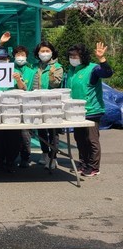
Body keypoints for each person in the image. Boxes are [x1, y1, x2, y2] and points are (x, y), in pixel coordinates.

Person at [66, 42, 113, 177]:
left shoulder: (93, 69)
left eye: (76, 56)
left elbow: (107, 73)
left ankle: (93, 167)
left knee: (91, 140)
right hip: (76, 111)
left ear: (83, 56)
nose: (73, 58)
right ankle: (83, 163)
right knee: (80, 139)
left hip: (91, 110)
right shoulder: (71, 70)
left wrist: (102, 59)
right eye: (71, 56)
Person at [0, 48, 27, 173]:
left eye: (4, 59)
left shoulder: (16, 72)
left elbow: (24, 89)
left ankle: (11, 160)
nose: (1, 61)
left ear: (8, 59)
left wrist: (18, 80)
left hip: (13, 110)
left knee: (13, 136)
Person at [32, 41, 64, 168]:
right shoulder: (35, 67)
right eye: (42, 51)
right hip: (37, 103)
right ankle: (44, 153)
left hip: (52, 104)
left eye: (47, 51)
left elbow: (56, 84)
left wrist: (51, 76)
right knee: (41, 130)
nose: (44, 53)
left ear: (52, 52)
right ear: (38, 53)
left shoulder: (57, 67)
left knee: (53, 131)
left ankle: (53, 157)